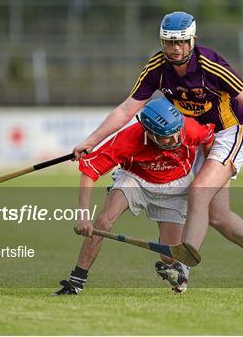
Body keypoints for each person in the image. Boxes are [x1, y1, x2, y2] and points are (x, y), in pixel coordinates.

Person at [73, 12, 243, 292]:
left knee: (199, 191)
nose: (174, 48)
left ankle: (181, 268)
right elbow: (127, 109)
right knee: (218, 216)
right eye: (168, 42)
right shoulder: (157, 67)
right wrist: (92, 139)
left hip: (229, 132)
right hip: (195, 134)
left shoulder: (210, 64)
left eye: (181, 42)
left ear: (192, 40)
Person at [54, 98, 215, 295]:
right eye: (167, 138)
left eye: (177, 134)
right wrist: (83, 216)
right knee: (103, 221)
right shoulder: (129, 139)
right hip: (135, 178)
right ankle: (75, 283)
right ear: (150, 133)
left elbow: (208, 137)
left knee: (168, 256)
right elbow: (89, 171)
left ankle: (178, 274)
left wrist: (207, 175)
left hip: (175, 184)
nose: (176, 141)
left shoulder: (188, 129)